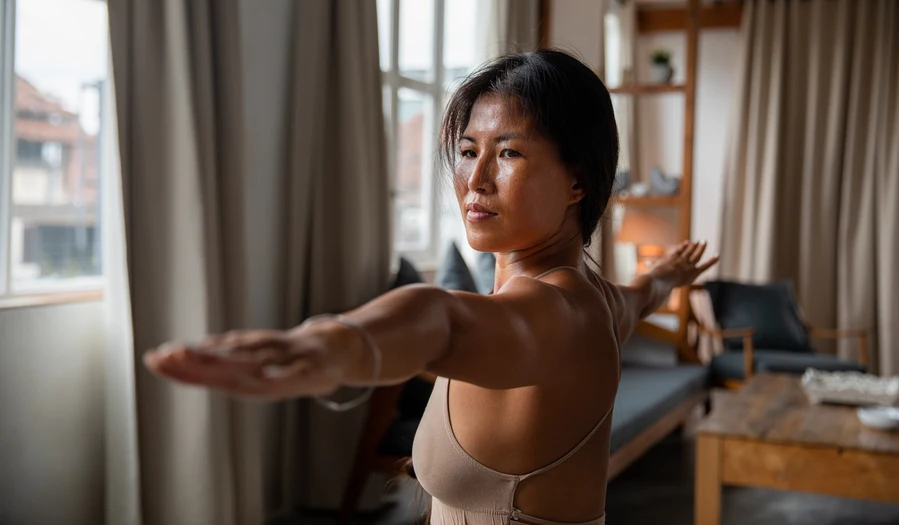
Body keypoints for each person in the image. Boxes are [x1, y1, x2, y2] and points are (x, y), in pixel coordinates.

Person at [145, 49, 718, 525]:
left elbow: (441, 321)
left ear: (578, 180)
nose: (476, 178)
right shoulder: (600, 301)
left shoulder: (558, 312)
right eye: (469, 151)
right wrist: (667, 273)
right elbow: (643, 292)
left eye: (509, 152)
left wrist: (330, 345)